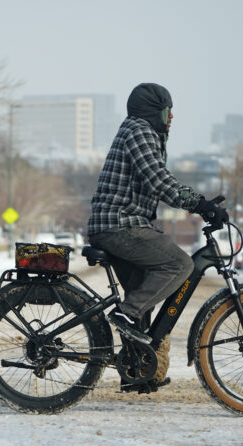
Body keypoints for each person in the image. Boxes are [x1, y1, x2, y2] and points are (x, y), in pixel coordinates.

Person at [87, 82, 227, 345]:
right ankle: (125, 314)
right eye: (167, 111)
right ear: (154, 111)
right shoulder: (139, 131)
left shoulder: (140, 131)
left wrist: (202, 204)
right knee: (179, 265)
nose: (171, 116)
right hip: (119, 225)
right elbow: (159, 181)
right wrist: (200, 204)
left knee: (143, 295)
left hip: (120, 224)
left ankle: (137, 369)